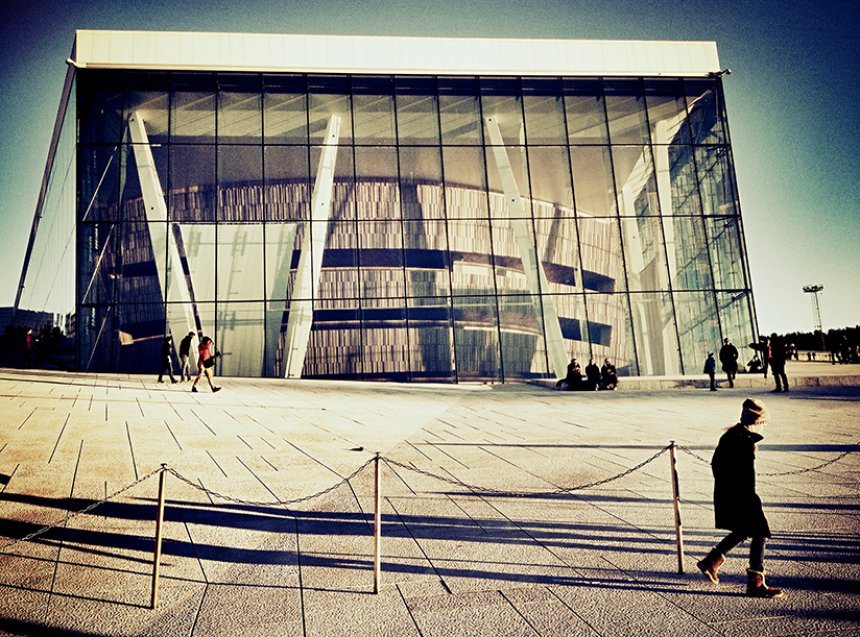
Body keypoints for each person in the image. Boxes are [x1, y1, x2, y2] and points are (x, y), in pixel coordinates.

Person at [697, 398, 784, 599]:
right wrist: (749, 498)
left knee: (744, 530)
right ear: (757, 421)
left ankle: (712, 561)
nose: (765, 427)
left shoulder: (733, 435)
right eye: (764, 423)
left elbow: (716, 465)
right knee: (760, 533)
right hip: (741, 495)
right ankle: (756, 583)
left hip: (730, 493)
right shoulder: (742, 441)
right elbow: (743, 476)